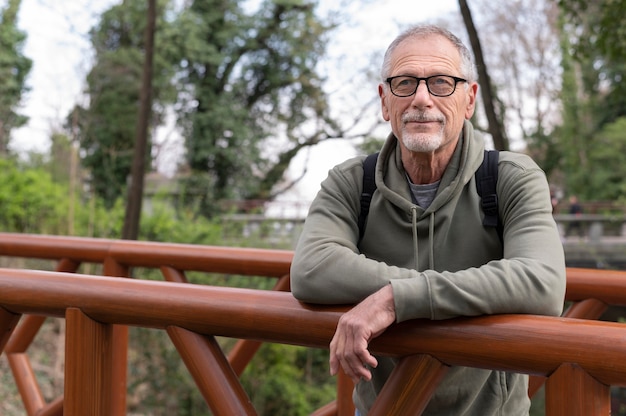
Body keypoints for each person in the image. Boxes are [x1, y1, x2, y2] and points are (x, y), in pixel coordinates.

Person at [290, 24, 566, 415]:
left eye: (440, 82)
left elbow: (543, 283)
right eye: (404, 83)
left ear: (469, 99)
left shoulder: (510, 179)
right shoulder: (351, 182)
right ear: (385, 101)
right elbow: (311, 269)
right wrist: (435, 294)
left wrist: (396, 299)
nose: (421, 98)